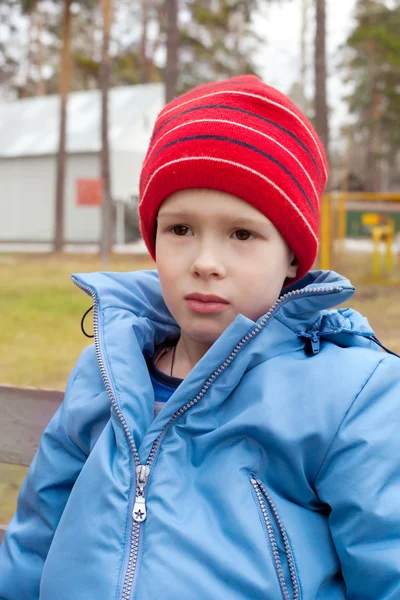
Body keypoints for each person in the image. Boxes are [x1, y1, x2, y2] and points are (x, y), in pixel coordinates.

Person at [0, 75, 399, 600]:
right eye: (180, 229)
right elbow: (34, 539)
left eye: (242, 234)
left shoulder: (351, 395)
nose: (205, 263)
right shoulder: (105, 368)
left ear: (294, 259)